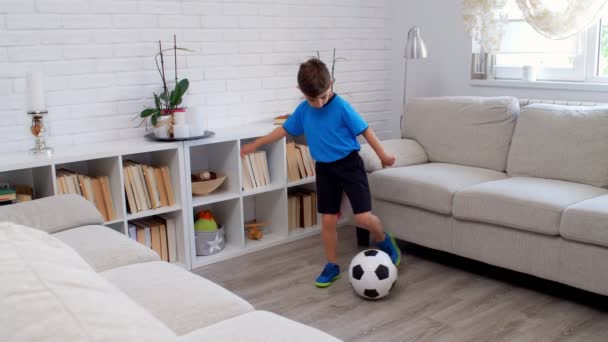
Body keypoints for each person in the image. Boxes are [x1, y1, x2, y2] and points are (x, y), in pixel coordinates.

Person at [241, 58, 400, 288]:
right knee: (327, 220)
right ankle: (332, 264)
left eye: (323, 96)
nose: (319, 103)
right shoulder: (304, 110)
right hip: (325, 169)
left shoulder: (342, 106)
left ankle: (383, 239)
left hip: (349, 165)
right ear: (301, 92)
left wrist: (383, 156)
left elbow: (366, 131)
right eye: (311, 99)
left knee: (363, 217)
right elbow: (283, 131)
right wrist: (256, 144)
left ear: (331, 84)